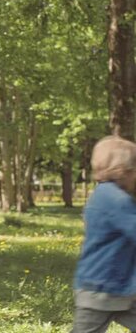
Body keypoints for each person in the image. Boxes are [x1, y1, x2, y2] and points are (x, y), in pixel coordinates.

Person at [72, 135, 136, 333]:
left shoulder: (103, 194)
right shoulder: (115, 199)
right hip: (100, 289)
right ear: (122, 171)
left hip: (119, 289)